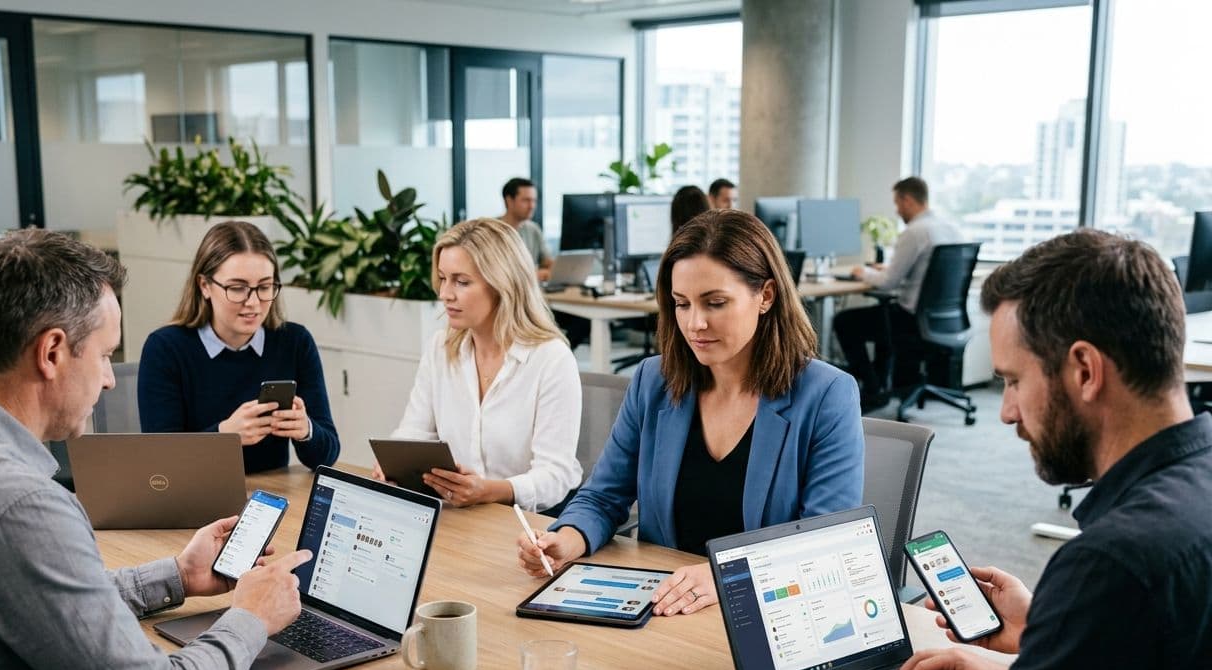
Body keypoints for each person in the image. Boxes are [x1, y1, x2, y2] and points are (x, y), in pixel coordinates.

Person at [0, 229, 350, 670]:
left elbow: (41, 596)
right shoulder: (25, 504)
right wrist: (248, 616)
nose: (110, 381)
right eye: (106, 355)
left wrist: (177, 576)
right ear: (52, 352)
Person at [818, 229, 1212, 670]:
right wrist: (1040, 657)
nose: (1005, 412)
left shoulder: (1114, 562)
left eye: (1012, 380)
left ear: (1083, 370)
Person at [516, 210, 863, 616]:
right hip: (664, 606)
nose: (695, 323)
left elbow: (824, 543)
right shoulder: (654, 380)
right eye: (681, 304)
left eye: (715, 303)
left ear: (765, 296)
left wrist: (724, 575)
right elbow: (603, 495)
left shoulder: (827, 395)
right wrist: (569, 538)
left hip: (770, 615)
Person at [373, 218, 582, 514]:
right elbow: (414, 432)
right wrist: (393, 464)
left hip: (527, 523)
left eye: (462, 281)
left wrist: (489, 491)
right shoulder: (440, 348)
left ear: (502, 284)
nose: (445, 293)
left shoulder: (551, 359)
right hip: (458, 516)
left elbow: (555, 476)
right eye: (443, 278)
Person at [137, 221, 339, 474]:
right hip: (196, 499)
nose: (253, 302)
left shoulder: (295, 342)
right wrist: (224, 436)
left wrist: (306, 430)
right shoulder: (166, 348)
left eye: (265, 287)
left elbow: (326, 456)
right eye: (237, 288)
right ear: (205, 286)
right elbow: (162, 463)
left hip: (270, 499)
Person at [833, 176, 961, 411]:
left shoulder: (915, 232)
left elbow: (888, 283)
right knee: (879, 316)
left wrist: (863, 272)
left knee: (844, 321)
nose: (897, 210)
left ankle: (872, 389)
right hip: (942, 318)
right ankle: (879, 384)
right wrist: (886, 270)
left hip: (910, 321)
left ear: (908, 200)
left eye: (897, 203)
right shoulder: (950, 228)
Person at [499, 177, 553, 283]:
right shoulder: (492, 230)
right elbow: (495, 272)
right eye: (526, 200)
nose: (532, 206)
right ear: (509, 201)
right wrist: (532, 274)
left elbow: (547, 261)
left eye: (534, 201)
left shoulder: (533, 229)